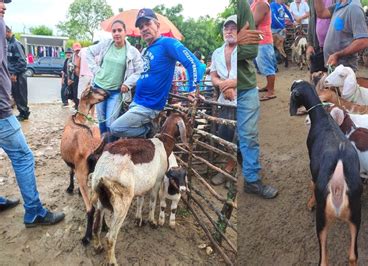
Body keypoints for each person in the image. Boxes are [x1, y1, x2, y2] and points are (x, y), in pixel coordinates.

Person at [0, 0, 65, 227]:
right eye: (1, 2)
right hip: (0, 111)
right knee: (23, 156)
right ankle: (34, 211)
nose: (4, 7)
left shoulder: (12, 42)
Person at [109, 8, 204, 138]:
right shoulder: (146, 50)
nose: (144, 29)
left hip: (149, 106)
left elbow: (194, 64)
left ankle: (148, 132)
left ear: (157, 25)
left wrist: (193, 89)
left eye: (148, 24)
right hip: (137, 103)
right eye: (141, 27)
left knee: (115, 128)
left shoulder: (168, 43)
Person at [238, 0, 278, 199]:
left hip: (245, 83)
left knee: (249, 135)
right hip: (232, 85)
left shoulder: (258, 4)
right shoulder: (249, 4)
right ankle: (242, 163)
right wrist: (237, 38)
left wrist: (234, 42)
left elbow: (249, 45)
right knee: (233, 131)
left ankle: (252, 179)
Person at [86, 20, 143, 140]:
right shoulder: (106, 44)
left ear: (125, 32)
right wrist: (96, 70)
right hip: (98, 88)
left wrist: (128, 83)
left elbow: (139, 71)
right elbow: (89, 52)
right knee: (101, 120)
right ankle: (103, 148)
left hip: (115, 92)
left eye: (119, 30)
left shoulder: (132, 51)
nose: (116, 33)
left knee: (111, 124)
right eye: (114, 31)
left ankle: (111, 150)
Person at [209, 15, 238, 186]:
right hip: (225, 101)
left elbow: (250, 75)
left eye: (233, 28)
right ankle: (230, 167)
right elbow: (213, 75)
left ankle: (229, 170)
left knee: (241, 137)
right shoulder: (217, 52)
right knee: (225, 136)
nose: (229, 31)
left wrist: (232, 84)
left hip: (243, 99)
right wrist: (223, 86)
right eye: (226, 28)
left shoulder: (244, 50)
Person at [314, 0, 368, 70]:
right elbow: (321, 13)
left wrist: (338, 55)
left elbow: (363, 41)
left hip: (344, 70)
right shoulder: (339, 4)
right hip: (334, 66)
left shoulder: (354, 8)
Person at [251, 0, 277, 101]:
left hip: (263, 39)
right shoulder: (257, 2)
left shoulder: (261, 4)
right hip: (260, 39)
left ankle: (271, 92)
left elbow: (254, 21)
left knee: (267, 65)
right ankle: (268, 87)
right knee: (263, 64)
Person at [6, 25, 29, 121]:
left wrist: (14, 73)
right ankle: (21, 112)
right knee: (15, 94)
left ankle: (24, 113)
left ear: (7, 32)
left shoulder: (16, 44)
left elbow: (22, 61)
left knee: (21, 95)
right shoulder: (8, 43)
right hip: (13, 74)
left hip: (19, 74)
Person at [307, 0, 332, 74]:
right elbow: (311, 18)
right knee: (316, 78)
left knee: (333, 81)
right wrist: (310, 44)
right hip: (317, 46)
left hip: (335, 48)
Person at [67, 42, 81, 109]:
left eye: (79, 50)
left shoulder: (83, 57)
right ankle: (76, 106)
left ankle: (80, 108)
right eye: (76, 50)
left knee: (81, 94)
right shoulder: (72, 58)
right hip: (74, 77)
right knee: (74, 94)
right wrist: (69, 78)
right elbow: (69, 68)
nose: (78, 51)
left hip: (82, 77)